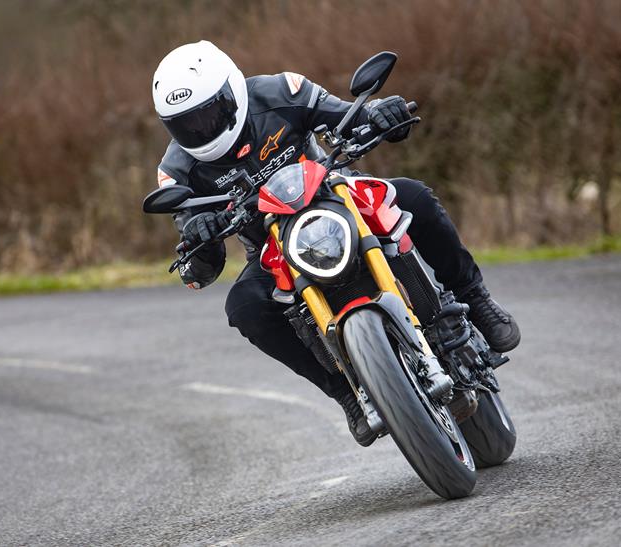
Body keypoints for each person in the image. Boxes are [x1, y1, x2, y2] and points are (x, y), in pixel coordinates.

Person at [151, 41, 520, 446]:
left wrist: (380, 115)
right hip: (273, 248)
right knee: (243, 306)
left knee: (413, 196)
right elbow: (200, 263)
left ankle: (476, 298)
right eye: (187, 123)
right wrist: (199, 237)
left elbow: (346, 115)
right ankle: (345, 392)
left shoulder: (280, 92)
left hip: (334, 194)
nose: (201, 128)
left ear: (231, 92)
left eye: (209, 113)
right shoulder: (176, 172)